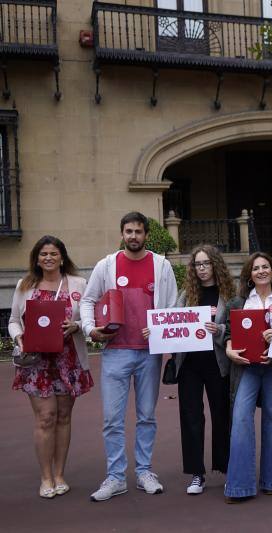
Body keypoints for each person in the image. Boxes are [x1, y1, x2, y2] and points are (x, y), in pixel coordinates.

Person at [81, 212, 178, 501]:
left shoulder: (161, 266)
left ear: (146, 234)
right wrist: (90, 329)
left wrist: (162, 333)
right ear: (122, 233)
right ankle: (115, 477)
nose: (133, 236)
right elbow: (87, 299)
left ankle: (145, 471)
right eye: (128, 231)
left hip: (149, 354)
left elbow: (171, 307)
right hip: (115, 353)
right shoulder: (107, 265)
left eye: (138, 231)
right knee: (112, 419)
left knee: (147, 416)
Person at [8, 236, 93, 499]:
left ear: (62, 257)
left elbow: (90, 315)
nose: (48, 258)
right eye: (43, 254)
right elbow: (13, 321)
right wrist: (18, 337)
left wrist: (77, 326)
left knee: (64, 417)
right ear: (36, 258)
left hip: (68, 360)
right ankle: (45, 477)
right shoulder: (25, 285)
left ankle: (59, 474)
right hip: (37, 362)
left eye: (53, 254)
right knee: (46, 418)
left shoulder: (79, 283)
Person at [223, 252, 272, 503]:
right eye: (256, 268)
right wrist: (230, 349)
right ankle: (239, 486)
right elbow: (227, 333)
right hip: (245, 367)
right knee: (241, 418)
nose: (261, 271)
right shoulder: (238, 301)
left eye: (266, 266)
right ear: (249, 275)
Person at [174, 245, 236, 495]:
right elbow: (173, 322)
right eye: (197, 264)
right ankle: (196, 473)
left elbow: (233, 328)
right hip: (189, 363)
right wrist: (156, 333)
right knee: (191, 417)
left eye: (206, 264)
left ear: (216, 265)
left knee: (222, 415)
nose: (201, 269)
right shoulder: (186, 294)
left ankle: (225, 468)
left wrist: (218, 330)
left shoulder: (229, 294)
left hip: (217, 363)